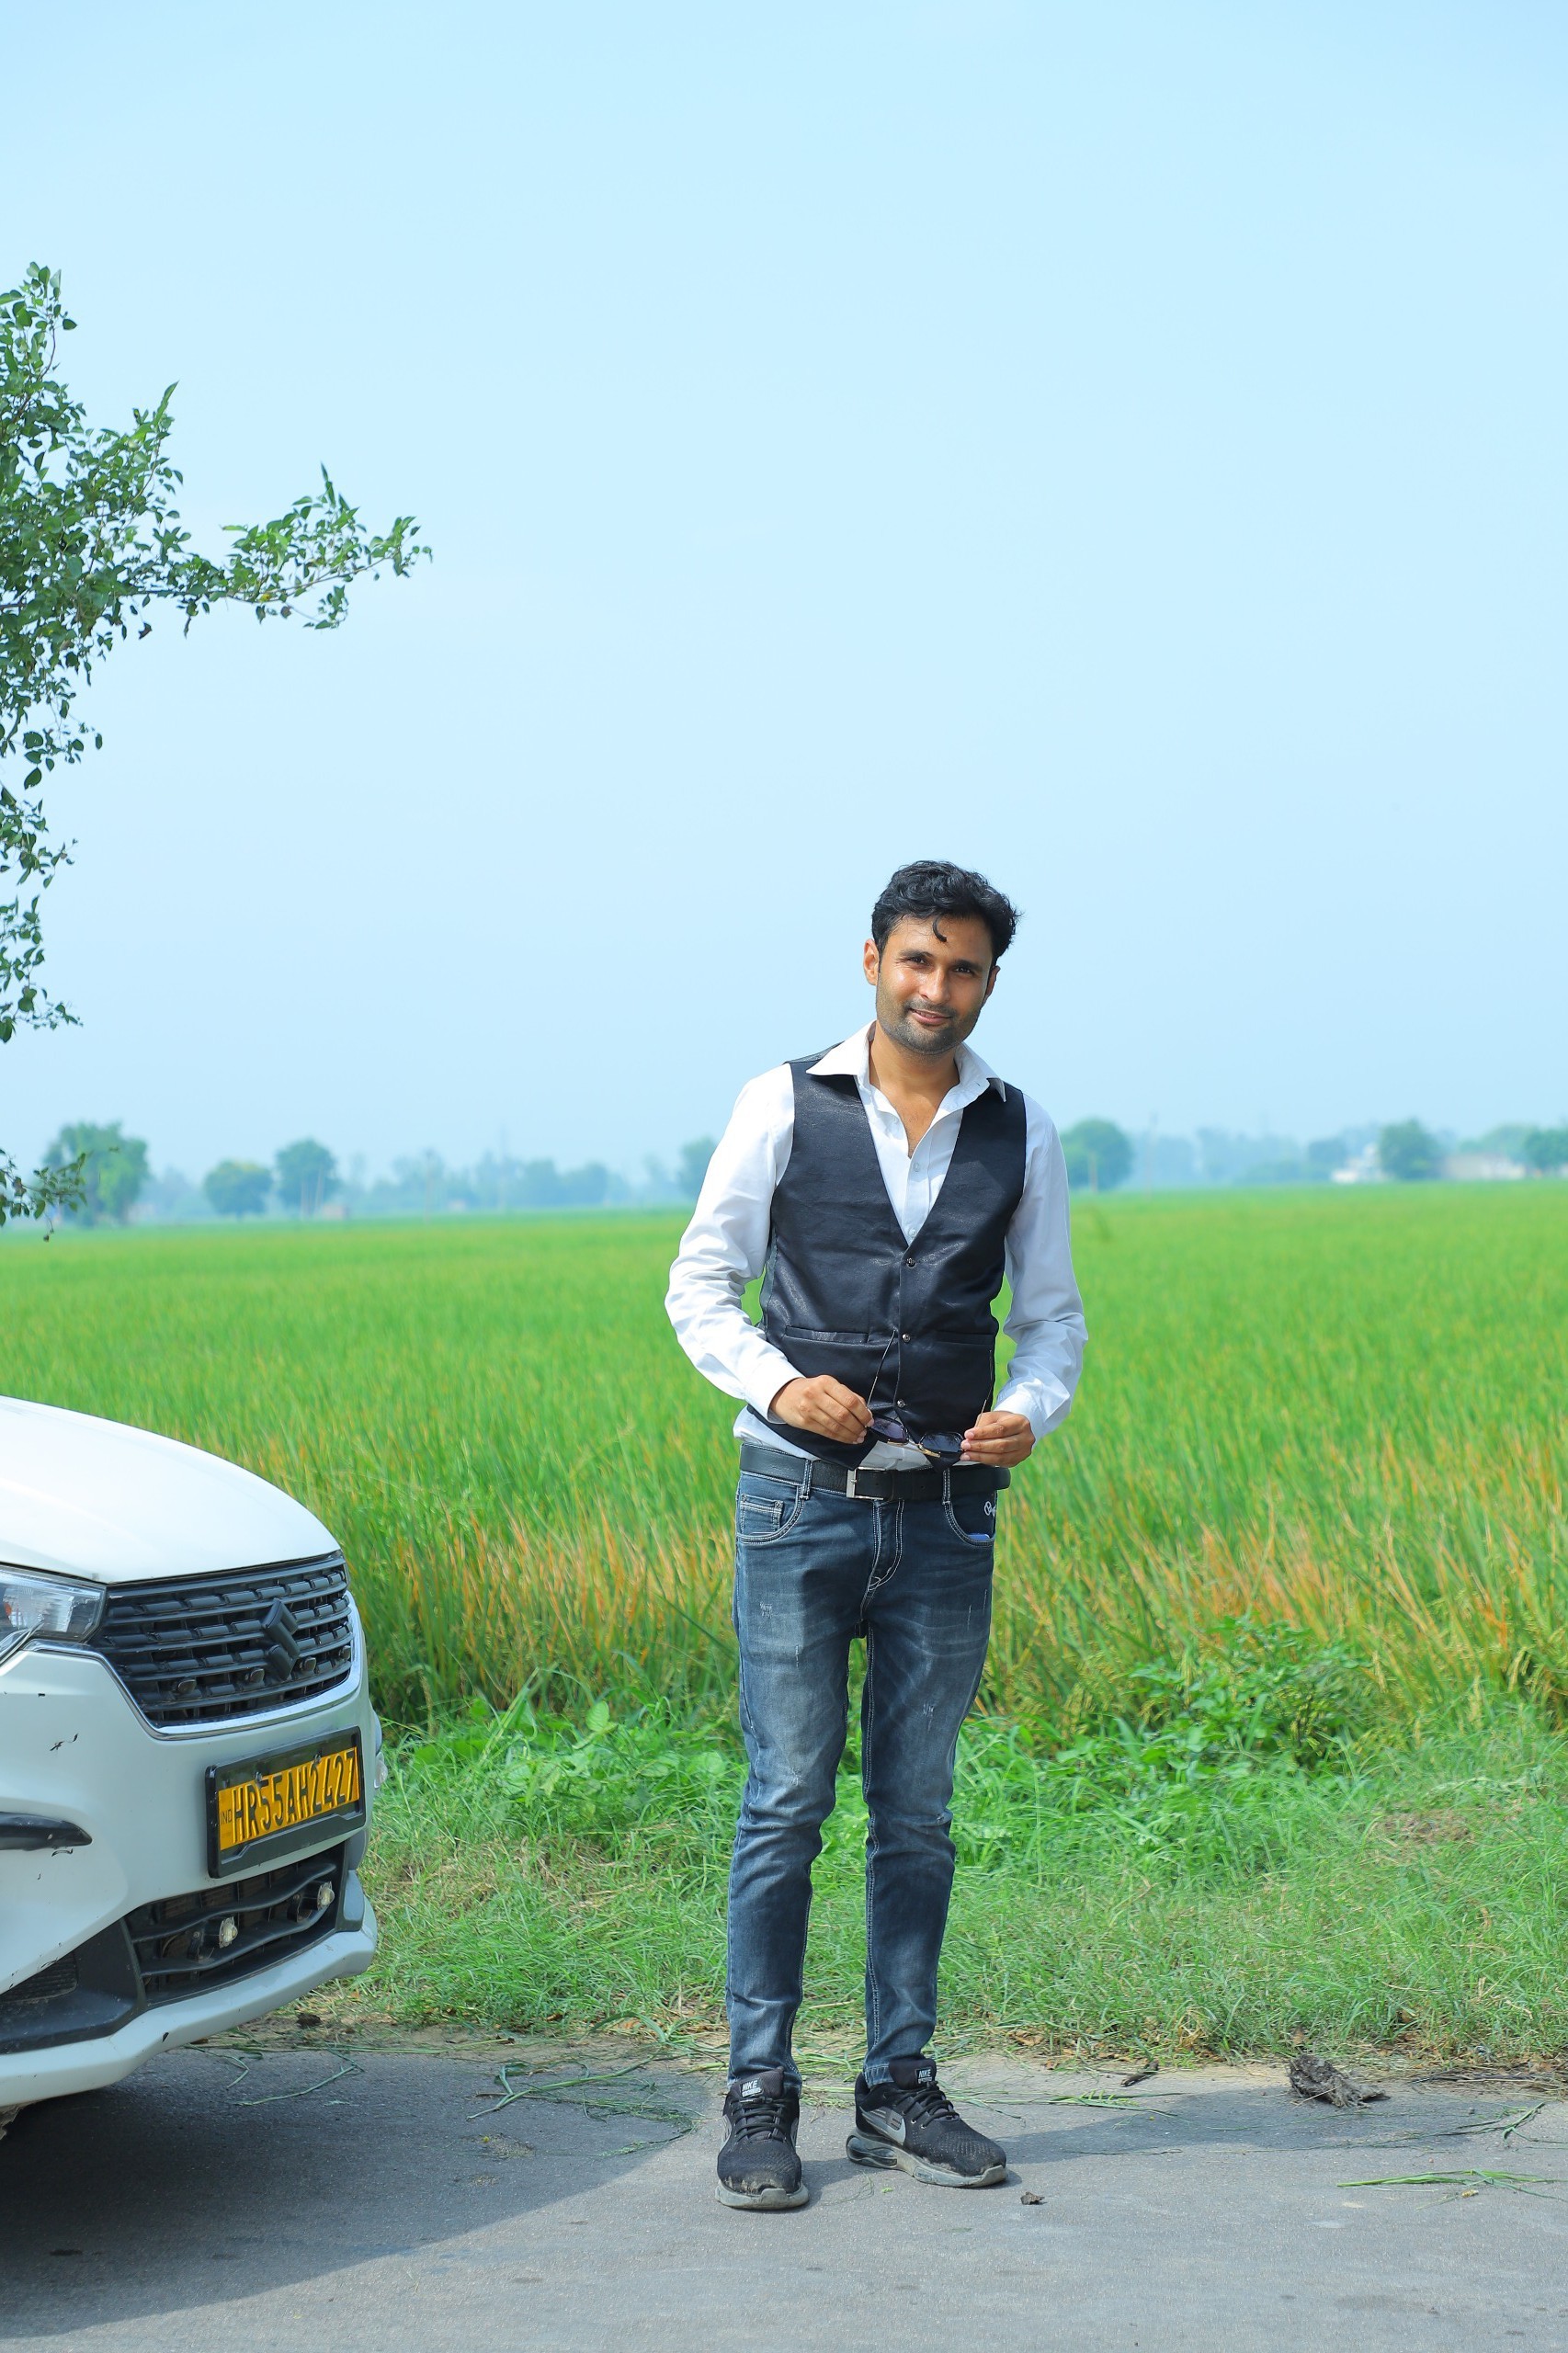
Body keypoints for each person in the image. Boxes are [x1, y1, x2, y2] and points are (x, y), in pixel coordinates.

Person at [665, 858, 1085, 2211]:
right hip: (796, 1505)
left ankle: (899, 2090)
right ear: (872, 962)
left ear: (989, 983)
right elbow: (699, 1285)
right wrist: (778, 1385)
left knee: (916, 1815)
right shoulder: (781, 1101)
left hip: (949, 1514)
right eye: (917, 959)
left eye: (963, 968)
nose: (935, 988)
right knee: (785, 1802)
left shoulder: (1020, 1128)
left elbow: (1052, 1321)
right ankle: (759, 2093)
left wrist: (1027, 1410)